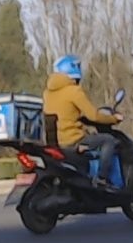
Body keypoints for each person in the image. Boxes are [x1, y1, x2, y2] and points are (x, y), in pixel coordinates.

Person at [41, 55, 123, 187]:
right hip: (73, 140)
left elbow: (64, 115)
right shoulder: (74, 91)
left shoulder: (47, 93)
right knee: (108, 140)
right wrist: (113, 119)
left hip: (56, 142)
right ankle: (102, 178)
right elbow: (94, 116)